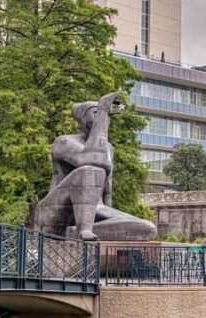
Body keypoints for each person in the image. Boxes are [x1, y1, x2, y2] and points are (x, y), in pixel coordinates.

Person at [33, 92, 156, 241]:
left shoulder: (108, 149)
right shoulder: (64, 142)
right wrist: (103, 110)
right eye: (96, 113)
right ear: (82, 119)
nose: (102, 118)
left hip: (96, 209)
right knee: (89, 171)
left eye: (103, 115)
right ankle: (83, 229)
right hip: (54, 211)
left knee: (146, 228)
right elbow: (91, 160)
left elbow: (106, 193)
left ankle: (73, 233)